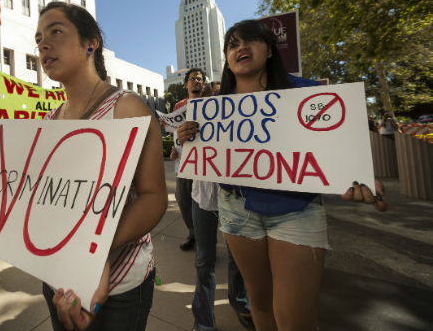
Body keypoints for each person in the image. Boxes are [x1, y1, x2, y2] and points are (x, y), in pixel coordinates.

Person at [0, 1, 168, 331]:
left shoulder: (126, 108)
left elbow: (154, 197)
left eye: (56, 32)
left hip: (121, 283)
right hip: (58, 281)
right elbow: (32, 199)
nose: (43, 44)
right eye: (39, 37)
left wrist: (93, 252)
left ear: (90, 43)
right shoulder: (48, 121)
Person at [177, 20, 388, 331]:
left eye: (250, 41)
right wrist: (188, 136)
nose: (241, 48)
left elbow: (337, 147)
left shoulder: (308, 94)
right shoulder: (213, 109)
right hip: (236, 211)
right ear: (227, 58)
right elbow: (207, 156)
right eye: (233, 45)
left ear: (271, 51)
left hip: (296, 211)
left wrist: (357, 175)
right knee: (260, 302)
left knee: (295, 320)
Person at [189, 82, 254, 331]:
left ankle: (240, 302)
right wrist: (181, 140)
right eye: (213, 95)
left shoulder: (240, 124)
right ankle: (203, 322)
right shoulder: (191, 126)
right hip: (202, 199)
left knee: (238, 259)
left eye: (221, 94)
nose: (217, 98)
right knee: (204, 261)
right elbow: (181, 157)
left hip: (235, 200)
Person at [160, 68, 205, 251]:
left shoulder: (211, 103)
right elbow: (176, 134)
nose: (196, 82)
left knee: (204, 204)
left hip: (206, 162)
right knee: (183, 199)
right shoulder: (179, 106)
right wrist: (173, 151)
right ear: (186, 83)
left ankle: (205, 242)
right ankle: (193, 234)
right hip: (185, 163)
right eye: (193, 79)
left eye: (200, 79)